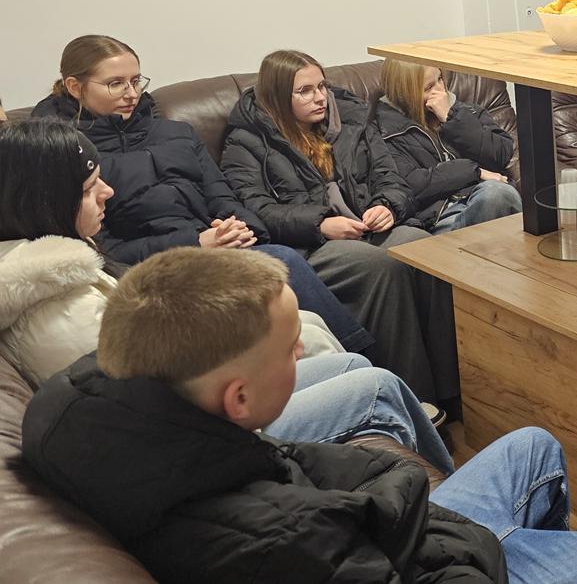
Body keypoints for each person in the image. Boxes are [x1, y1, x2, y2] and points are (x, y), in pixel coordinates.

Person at [22, 246, 577, 583]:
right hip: (454, 570)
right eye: (289, 349)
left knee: (532, 445)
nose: (303, 350)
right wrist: (472, 544)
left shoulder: (87, 403)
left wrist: (396, 492)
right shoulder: (274, 544)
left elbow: (295, 469)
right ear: (238, 399)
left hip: (410, 540)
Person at [0, 120, 450, 468]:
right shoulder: (57, 303)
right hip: (195, 437)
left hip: (201, 402)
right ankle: (446, 506)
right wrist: (254, 351)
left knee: (345, 357)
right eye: (89, 188)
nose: (108, 192)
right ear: (43, 202)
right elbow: (146, 401)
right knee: (377, 385)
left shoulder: (63, 267)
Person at [30, 35, 375, 356]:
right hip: (156, 270)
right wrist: (196, 243)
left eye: (136, 81)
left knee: (312, 272)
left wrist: (239, 228)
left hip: (220, 248)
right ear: (75, 87)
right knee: (283, 262)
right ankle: (364, 362)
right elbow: (101, 247)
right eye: (115, 84)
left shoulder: (176, 132)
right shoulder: (65, 154)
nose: (131, 93)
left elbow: (223, 197)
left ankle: (359, 370)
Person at [220, 49, 459, 408]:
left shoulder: (351, 118)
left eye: (322, 86)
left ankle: (456, 390)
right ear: (278, 97)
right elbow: (256, 210)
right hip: (312, 244)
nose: (320, 97)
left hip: (368, 225)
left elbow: (389, 176)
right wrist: (319, 223)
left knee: (424, 251)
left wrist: (386, 205)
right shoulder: (246, 141)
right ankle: (411, 398)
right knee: (382, 267)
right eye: (305, 91)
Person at [375, 58, 522, 233]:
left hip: (487, 194)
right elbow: (410, 184)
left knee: (498, 195)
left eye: (440, 79)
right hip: (441, 216)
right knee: (497, 196)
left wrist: (452, 118)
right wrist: (474, 172)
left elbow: (502, 152)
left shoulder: (467, 111)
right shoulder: (386, 132)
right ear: (405, 94)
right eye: (428, 88)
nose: (441, 91)